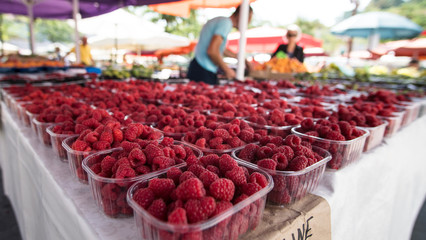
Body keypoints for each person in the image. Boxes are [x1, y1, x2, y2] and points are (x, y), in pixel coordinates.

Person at [187, 5, 253, 85]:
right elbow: (212, 51)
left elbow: (221, 49)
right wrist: (227, 70)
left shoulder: (221, 21)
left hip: (199, 66)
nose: (248, 23)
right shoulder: (225, 23)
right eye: (248, 19)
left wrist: (241, 59)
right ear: (240, 15)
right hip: (202, 69)